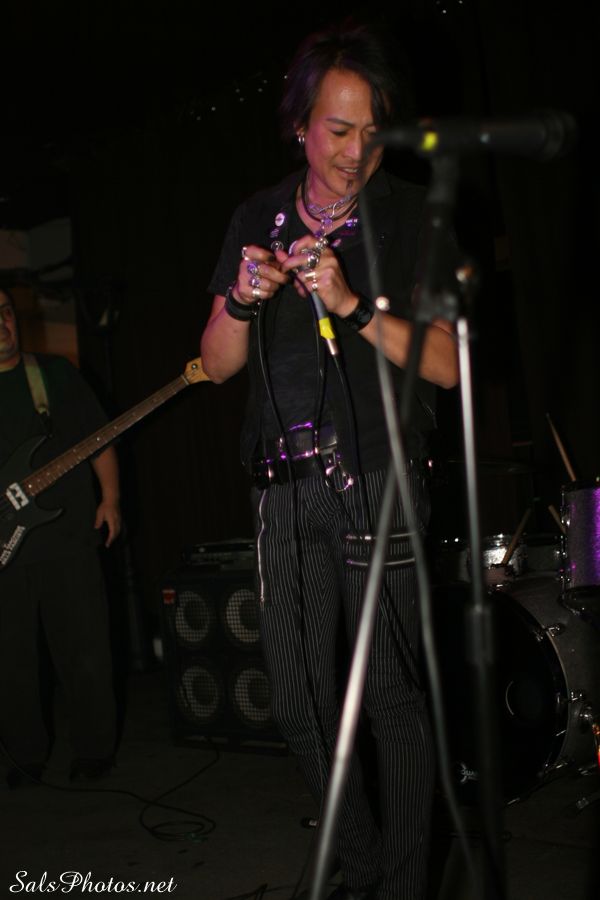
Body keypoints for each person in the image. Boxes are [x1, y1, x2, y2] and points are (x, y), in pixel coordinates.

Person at [201, 22, 459, 900]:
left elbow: (447, 365)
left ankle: (405, 883)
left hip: (379, 480)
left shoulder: (412, 214)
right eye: (339, 130)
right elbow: (218, 363)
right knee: (300, 703)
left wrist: (352, 306)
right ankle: (367, 862)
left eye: (373, 132)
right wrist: (242, 300)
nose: (356, 153)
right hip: (283, 486)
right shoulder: (257, 216)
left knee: (389, 696)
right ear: (300, 126)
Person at [0, 287, 121, 787]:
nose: (2, 323)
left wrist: (110, 499)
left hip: (67, 535)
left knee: (84, 649)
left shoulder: (54, 375)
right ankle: (24, 755)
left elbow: (99, 439)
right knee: (11, 661)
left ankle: (94, 750)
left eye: (5, 312)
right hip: (5, 554)